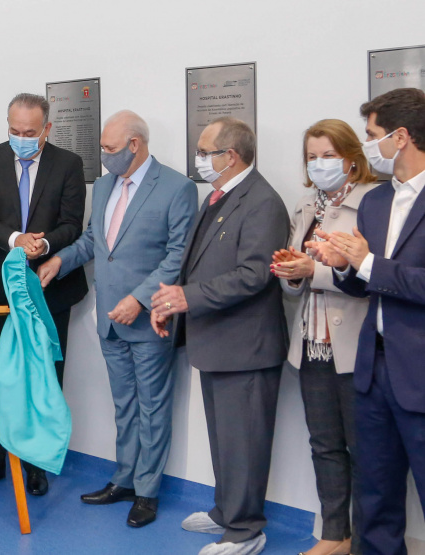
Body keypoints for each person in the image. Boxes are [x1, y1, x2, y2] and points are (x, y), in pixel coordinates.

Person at [38, 110, 197, 525]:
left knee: (152, 408)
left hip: (149, 320)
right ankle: (124, 478)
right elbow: (95, 240)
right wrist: (60, 260)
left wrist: (140, 299)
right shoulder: (106, 184)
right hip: (109, 318)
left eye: (109, 148)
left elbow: (177, 256)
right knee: (124, 405)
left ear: (134, 145)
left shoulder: (177, 188)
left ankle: (147, 492)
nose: (104, 156)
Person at [150, 117, 289, 555]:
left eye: (204, 151)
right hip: (216, 341)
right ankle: (227, 510)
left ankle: (246, 530)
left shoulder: (262, 202)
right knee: (225, 439)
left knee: (244, 442)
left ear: (230, 156)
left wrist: (186, 298)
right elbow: (198, 265)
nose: (198, 159)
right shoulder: (218, 196)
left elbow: (255, 275)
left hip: (247, 346)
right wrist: (173, 307)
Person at [309, 87, 425, 555]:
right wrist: (343, 265)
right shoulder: (376, 201)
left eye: (373, 134)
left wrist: (368, 263)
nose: (368, 144)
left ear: (401, 137)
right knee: (375, 499)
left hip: (419, 371)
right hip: (372, 371)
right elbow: (367, 285)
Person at [270, 119, 377, 555]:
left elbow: (372, 277)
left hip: (355, 345)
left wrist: (315, 271)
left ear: (351, 158)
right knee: (324, 444)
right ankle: (335, 535)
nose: (319, 164)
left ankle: (367, 540)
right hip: (311, 344)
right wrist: (293, 273)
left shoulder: (373, 202)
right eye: (312, 157)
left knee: (365, 451)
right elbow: (295, 283)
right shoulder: (305, 205)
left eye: (328, 156)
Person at [0, 92, 86, 496]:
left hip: (50, 287)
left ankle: (38, 466)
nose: (21, 138)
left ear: (47, 129)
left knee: (45, 375)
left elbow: (73, 223)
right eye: (14, 130)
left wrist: (44, 245)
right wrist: (16, 239)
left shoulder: (68, 164)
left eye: (30, 132)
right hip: (0, 286)